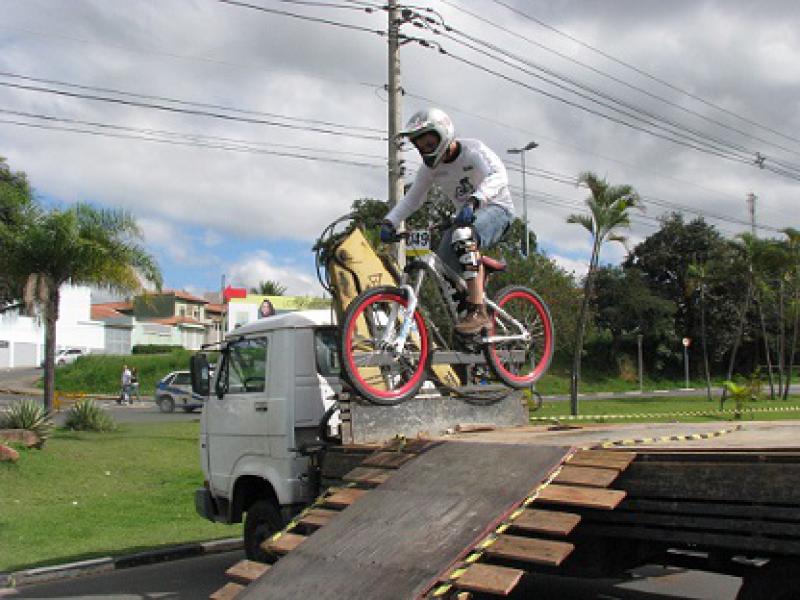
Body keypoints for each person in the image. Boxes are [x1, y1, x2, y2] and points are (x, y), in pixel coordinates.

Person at [381, 107, 515, 335]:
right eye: (420, 146)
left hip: (497, 209)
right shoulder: (429, 170)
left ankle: (478, 312)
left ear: (443, 134)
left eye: (429, 143)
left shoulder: (473, 150)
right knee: (442, 269)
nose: (425, 150)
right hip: (465, 218)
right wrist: (390, 222)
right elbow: (413, 199)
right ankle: (473, 312)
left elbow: (499, 176)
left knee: (463, 236)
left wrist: (475, 200)